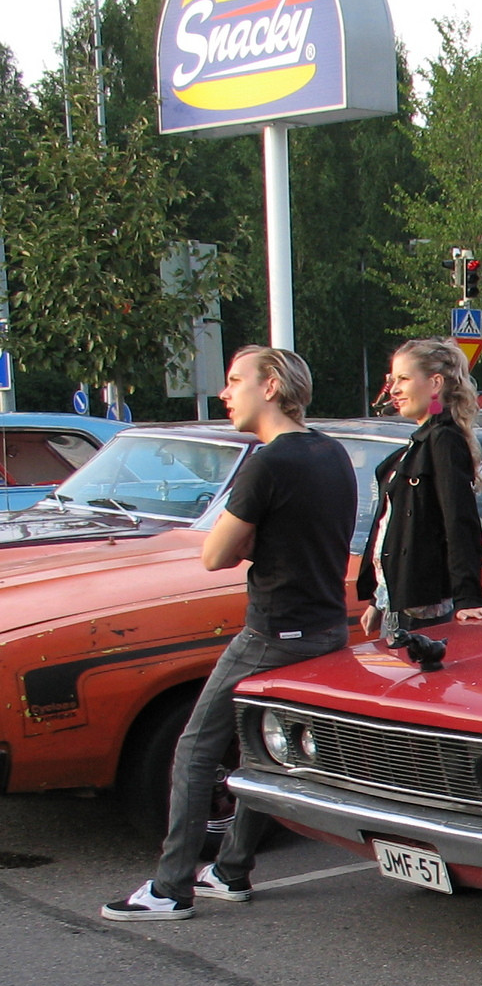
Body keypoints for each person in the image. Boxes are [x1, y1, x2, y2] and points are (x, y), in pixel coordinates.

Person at [102, 348, 357, 920]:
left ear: (270, 386)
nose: (226, 392)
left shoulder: (268, 464)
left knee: (194, 748)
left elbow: (216, 554)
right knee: (262, 752)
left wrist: (243, 540)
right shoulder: (333, 453)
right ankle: (232, 867)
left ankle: (170, 888)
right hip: (324, 628)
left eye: (236, 380)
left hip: (271, 630)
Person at [358, 338, 482, 665]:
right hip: (399, 602)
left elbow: (459, 520)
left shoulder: (443, 439)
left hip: (424, 610)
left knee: (417, 696)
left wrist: (468, 598)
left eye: (404, 379)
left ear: (435, 383)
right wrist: (379, 599)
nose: (393, 389)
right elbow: (393, 526)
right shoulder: (419, 441)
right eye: (392, 379)